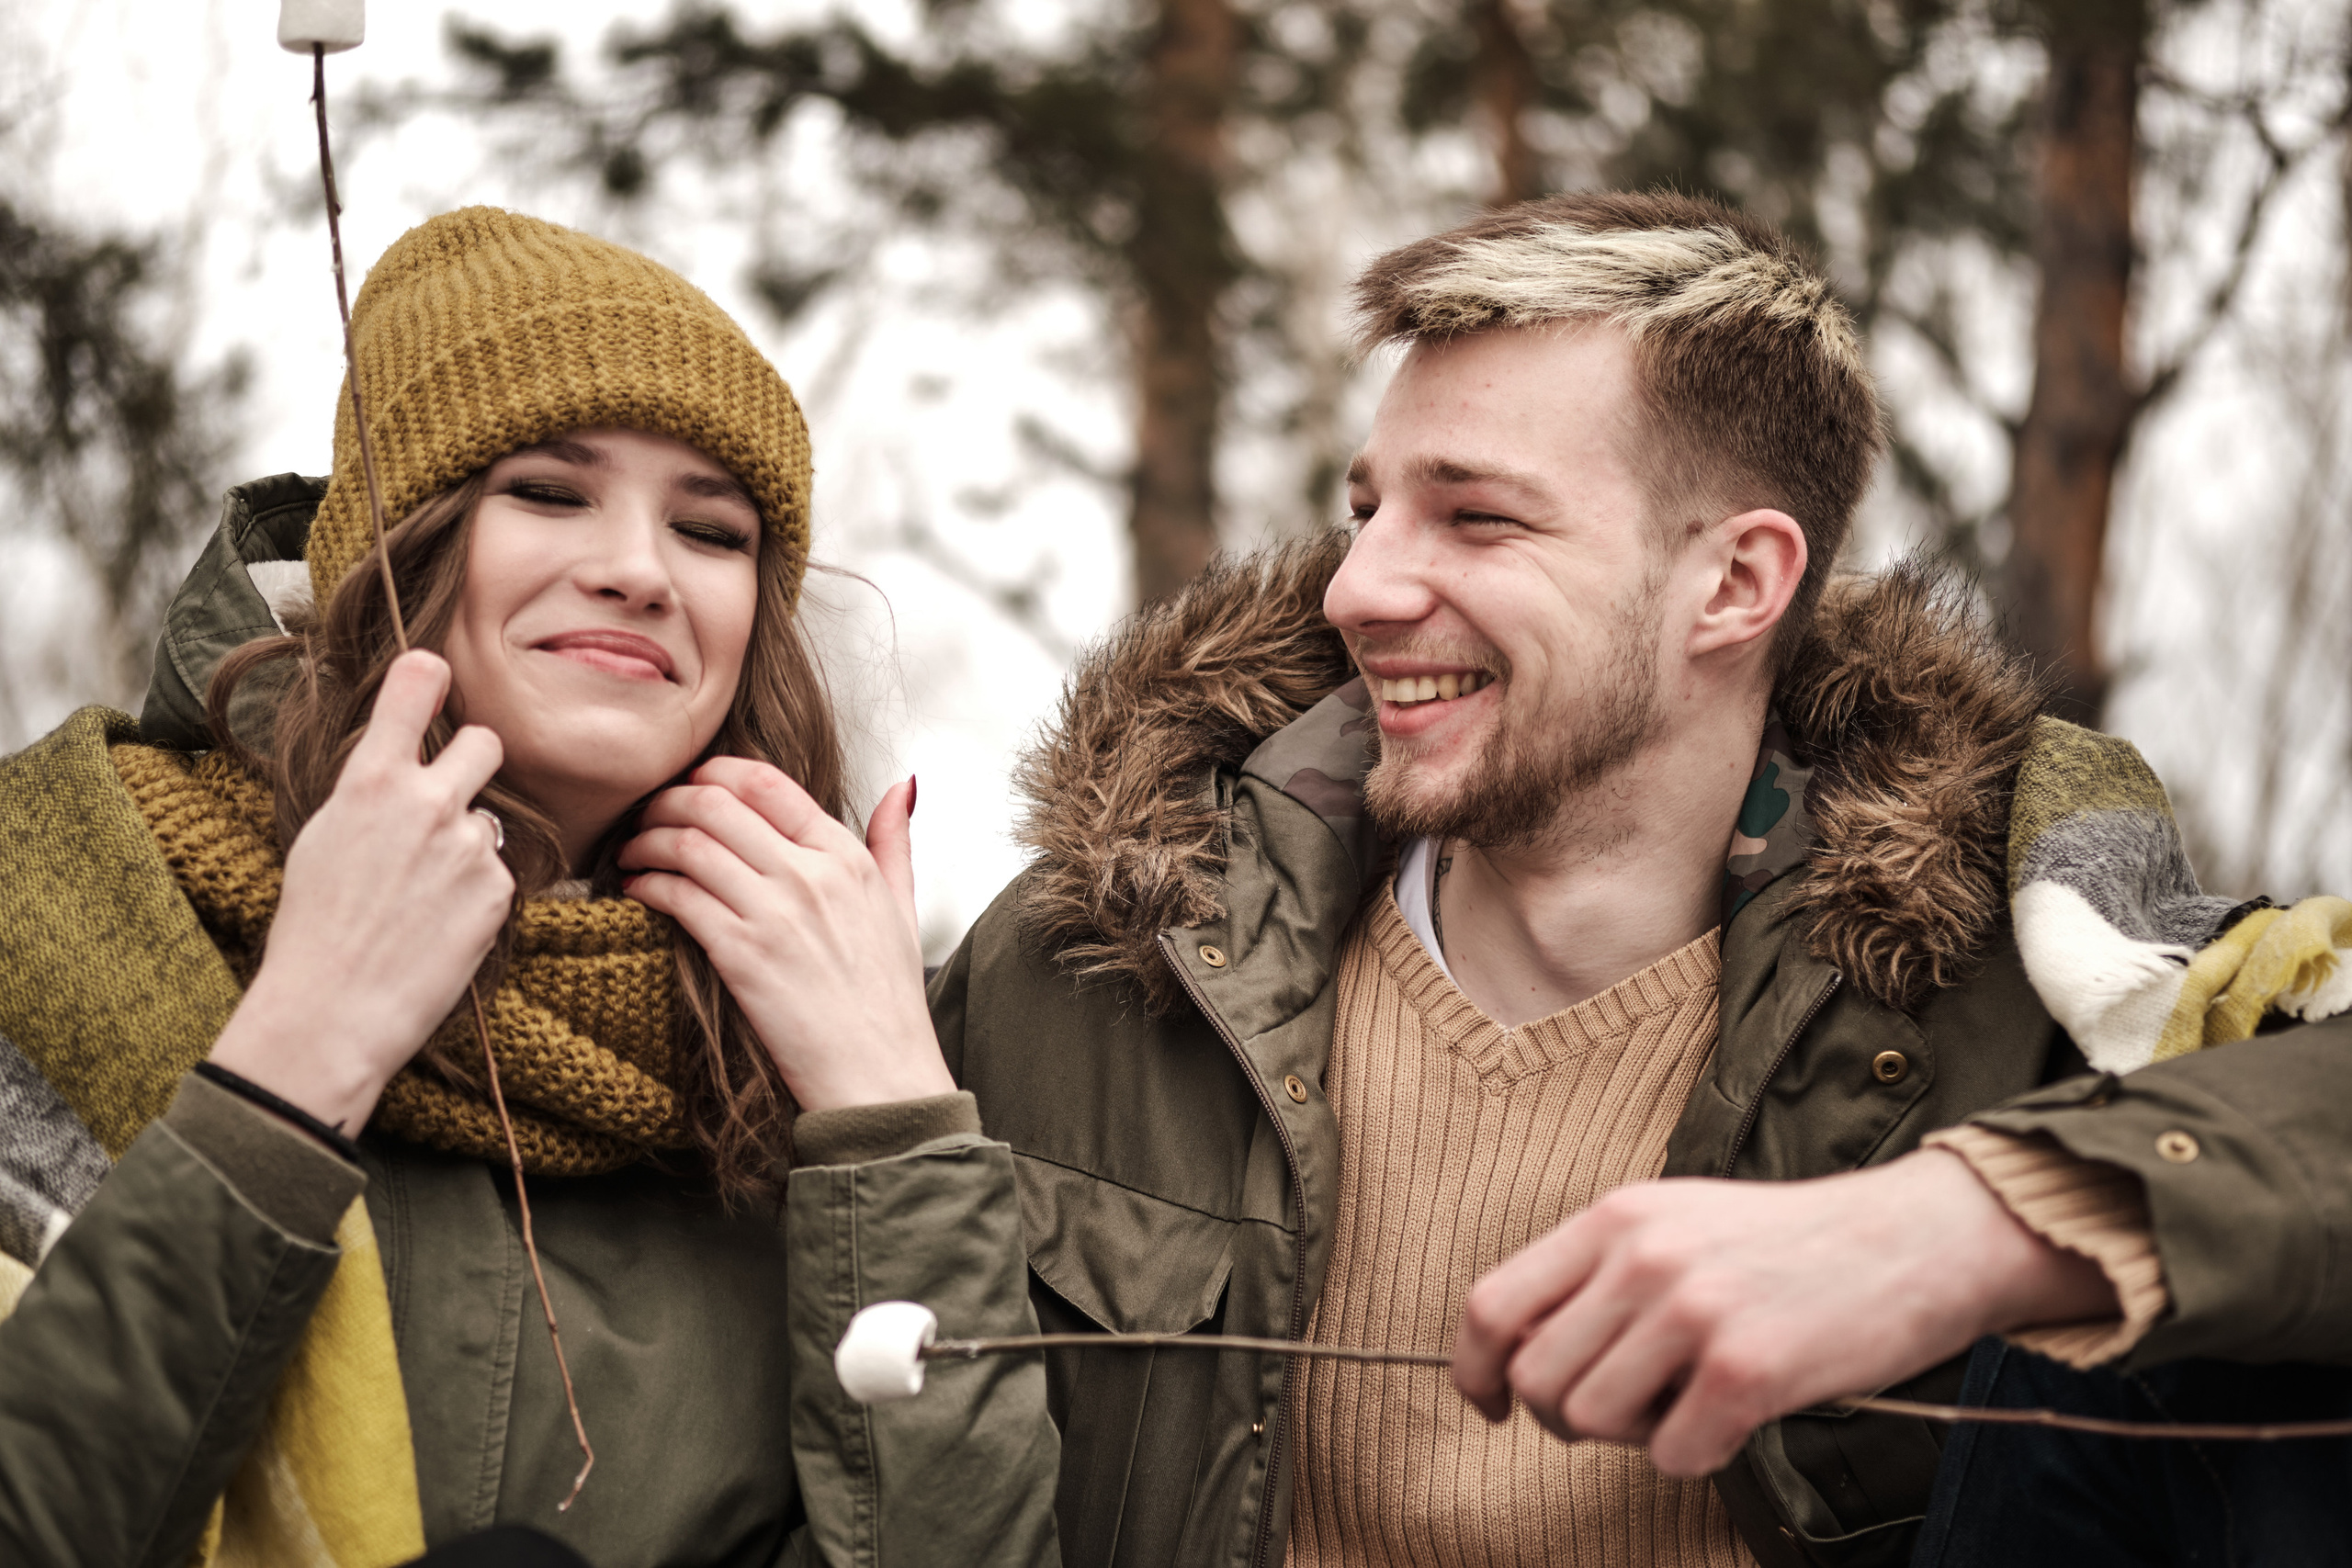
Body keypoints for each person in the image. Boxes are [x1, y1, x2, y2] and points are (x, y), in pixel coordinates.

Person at [928, 189, 2352, 1567]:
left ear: (1735, 585)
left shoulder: (2038, 982)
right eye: (1367, 509)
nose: (1356, 585)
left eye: (1475, 518)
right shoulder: (1109, 950)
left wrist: (1970, 1224)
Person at [0, 207, 1060, 1567]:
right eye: (549, 493)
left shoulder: (804, 1059)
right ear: (396, 548)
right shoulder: (67, 895)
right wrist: (298, 1047)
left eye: (714, 531)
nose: (638, 570)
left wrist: (890, 1117)